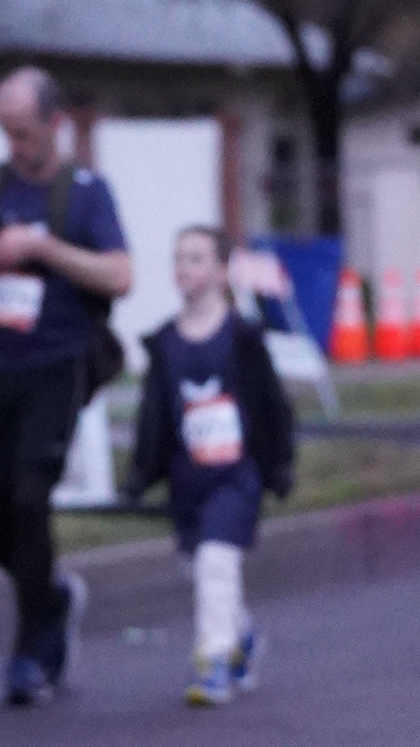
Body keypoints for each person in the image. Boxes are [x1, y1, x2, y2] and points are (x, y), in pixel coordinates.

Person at [0, 69, 133, 706]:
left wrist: (41, 247)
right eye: (6, 133)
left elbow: (119, 276)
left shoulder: (86, 194)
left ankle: (31, 651)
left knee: (29, 494)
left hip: (57, 364)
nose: (14, 146)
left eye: (23, 132)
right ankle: (53, 596)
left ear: (55, 124)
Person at [124, 223, 295, 707]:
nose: (184, 267)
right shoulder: (164, 343)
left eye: (197, 258)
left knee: (217, 560)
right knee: (200, 568)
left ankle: (213, 663)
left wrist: (278, 466)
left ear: (221, 272)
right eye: (179, 258)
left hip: (236, 476)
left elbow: (272, 408)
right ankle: (241, 636)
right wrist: (140, 473)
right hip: (188, 479)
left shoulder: (242, 339)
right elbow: (154, 417)